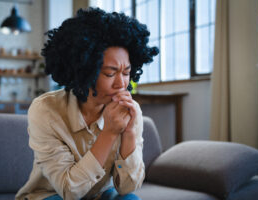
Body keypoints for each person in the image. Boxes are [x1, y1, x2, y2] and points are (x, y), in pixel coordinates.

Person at [15, 7, 159, 200]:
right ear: (84, 71)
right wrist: (109, 132)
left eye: (126, 73)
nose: (121, 84)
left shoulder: (131, 111)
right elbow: (69, 191)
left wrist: (129, 132)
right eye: (110, 73)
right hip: (51, 196)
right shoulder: (46, 110)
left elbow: (128, 188)